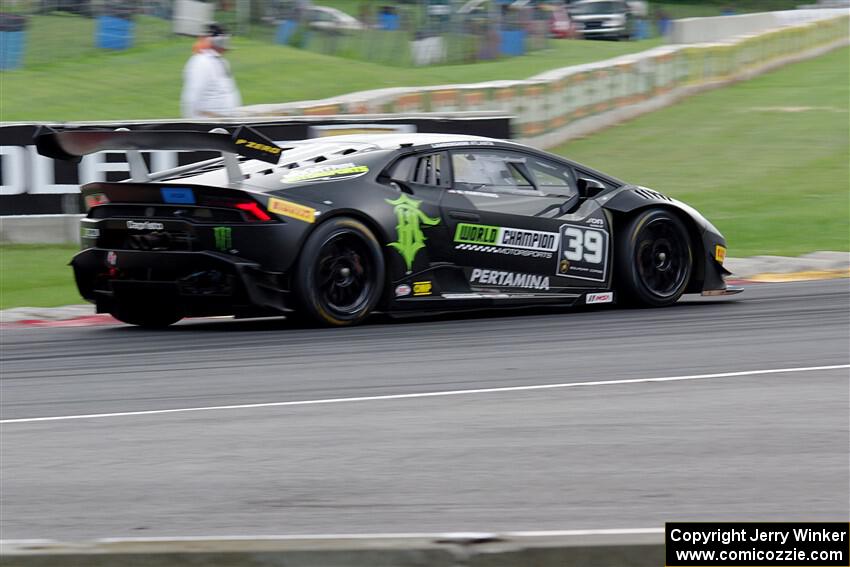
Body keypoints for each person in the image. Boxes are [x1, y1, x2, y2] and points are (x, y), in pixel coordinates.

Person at [180, 23, 242, 119]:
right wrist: (191, 121)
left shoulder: (222, 62)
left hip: (225, 120)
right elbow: (193, 95)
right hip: (209, 121)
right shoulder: (200, 62)